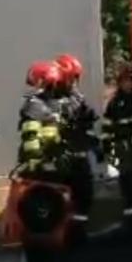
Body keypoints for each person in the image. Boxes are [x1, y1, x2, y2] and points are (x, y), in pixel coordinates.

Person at [54, 54, 100, 237]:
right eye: (70, 78)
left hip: (79, 157)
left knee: (84, 195)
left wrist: (96, 146)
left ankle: (78, 232)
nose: (73, 82)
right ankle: (62, 231)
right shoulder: (51, 99)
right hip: (61, 158)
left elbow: (88, 126)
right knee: (62, 197)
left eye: (75, 78)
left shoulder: (78, 98)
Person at [102, 62, 132, 226]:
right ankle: (130, 214)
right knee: (127, 179)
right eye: (126, 80)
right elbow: (107, 126)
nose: (129, 84)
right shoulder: (115, 103)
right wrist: (106, 145)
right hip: (123, 146)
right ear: (120, 82)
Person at [17, 61, 64, 174]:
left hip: (52, 160)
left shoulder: (49, 103)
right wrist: (36, 161)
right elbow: (31, 138)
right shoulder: (35, 105)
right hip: (43, 164)